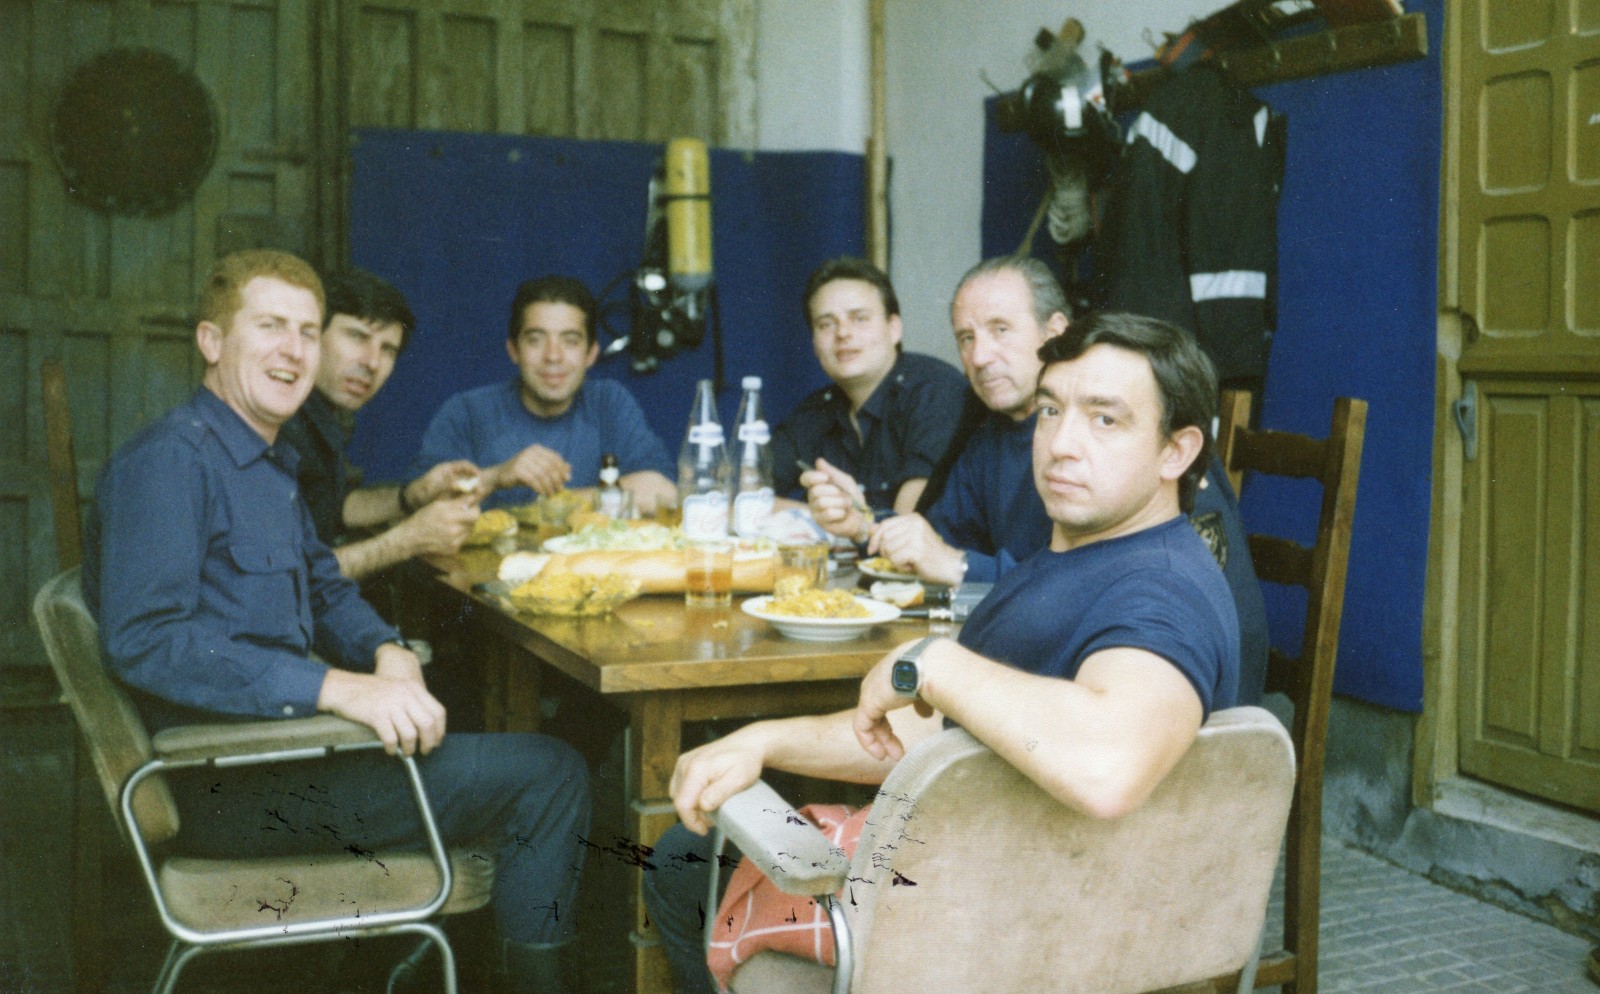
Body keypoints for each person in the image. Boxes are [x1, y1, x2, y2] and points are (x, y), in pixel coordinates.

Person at [644, 311, 1242, 994]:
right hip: (994, 889)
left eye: (1106, 420)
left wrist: (937, 661)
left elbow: (1108, 764)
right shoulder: (1091, 555)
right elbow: (940, 728)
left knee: (683, 866)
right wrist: (763, 741)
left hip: (1009, 940)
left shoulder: (1159, 594)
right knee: (684, 856)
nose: (1061, 444)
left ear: (1177, 451)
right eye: (1051, 410)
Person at [82, 250, 590, 993]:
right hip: (233, 781)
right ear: (212, 342)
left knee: (485, 733)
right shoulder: (171, 462)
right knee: (551, 773)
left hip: (281, 758)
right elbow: (148, 641)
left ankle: (396, 970)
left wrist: (384, 650)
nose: (293, 350)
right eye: (270, 327)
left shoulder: (265, 459)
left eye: (307, 331)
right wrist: (335, 689)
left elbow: (322, 584)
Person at [805, 256, 1269, 703]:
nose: (980, 356)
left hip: (1180, 717)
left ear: (1057, 334)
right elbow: (939, 540)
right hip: (1054, 676)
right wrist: (866, 523)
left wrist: (960, 568)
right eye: (965, 338)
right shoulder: (993, 431)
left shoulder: (1144, 451)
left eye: (1000, 330)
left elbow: (1119, 592)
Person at [277, 268, 482, 580]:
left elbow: (332, 508)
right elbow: (289, 579)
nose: (372, 362)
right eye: (358, 336)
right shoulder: (278, 419)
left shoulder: (318, 413)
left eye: (388, 350)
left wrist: (412, 496)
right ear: (312, 333)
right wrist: (408, 540)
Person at [408, 274, 676, 510]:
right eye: (536, 339)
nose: (553, 356)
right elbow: (417, 500)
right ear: (513, 350)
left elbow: (662, 491)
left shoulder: (608, 402)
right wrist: (497, 476)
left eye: (570, 341)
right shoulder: (467, 412)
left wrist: (553, 506)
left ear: (591, 353)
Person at [768, 257, 968, 516]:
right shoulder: (816, 411)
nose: (843, 334)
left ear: (894, 328)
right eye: (826, 324)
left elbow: (907, 527)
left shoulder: (934, 391)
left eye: (859, 318)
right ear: (814, 342)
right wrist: (818, 518)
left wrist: (847, 522)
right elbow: (737, 498)